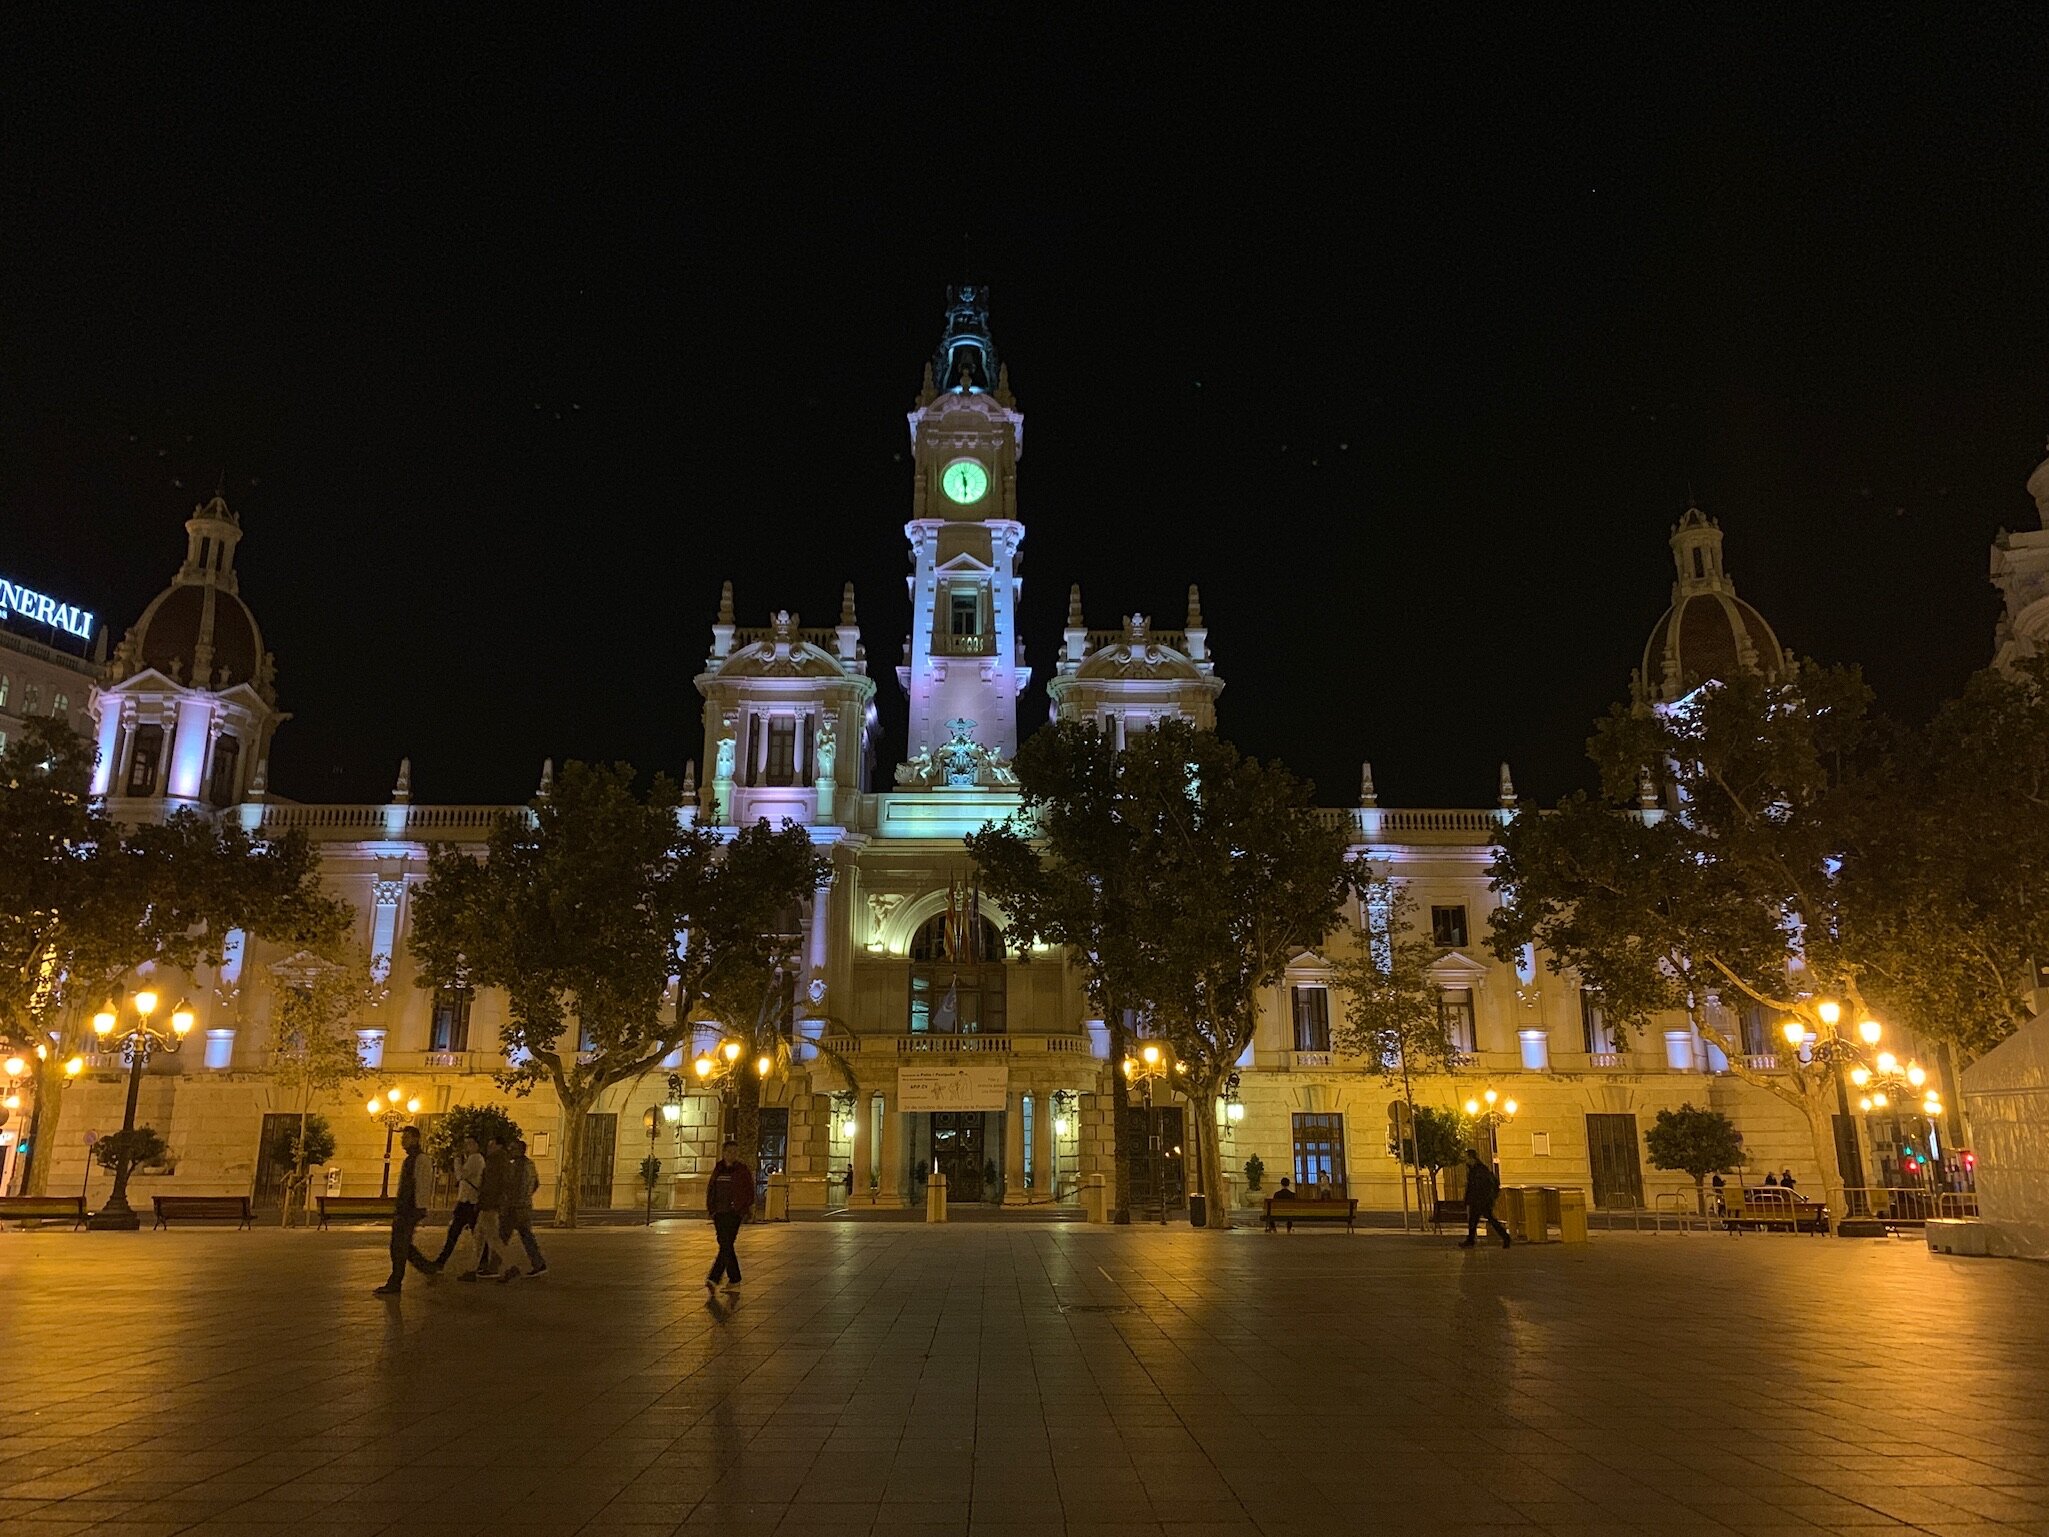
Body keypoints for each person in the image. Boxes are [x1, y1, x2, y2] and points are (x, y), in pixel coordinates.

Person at [374, 1125, 441, 1295]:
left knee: (399, 1246)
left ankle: (396, 1281)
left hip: (410, 1208)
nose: (403, 1141)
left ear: (415, 1138)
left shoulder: (420, 1159)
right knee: (403, 1245)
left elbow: (422, 1184)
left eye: (406, 1137)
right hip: (406, 1207)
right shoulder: (411, 1159)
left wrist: (419, 1207)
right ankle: (428, 1268)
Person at [460, 1134, 513, 1282]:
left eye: (491, 1145)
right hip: (490, 1203)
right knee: (479, 1236)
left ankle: (510, 1266)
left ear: (498, 1146)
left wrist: (484, 1202)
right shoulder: (502, 1161)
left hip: (489, 1204)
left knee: (492, 1237)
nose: (488, 1148)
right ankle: (472, 1269)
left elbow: (491, 1185)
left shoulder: (495, 1162)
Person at [705, 1138, 755, 1291]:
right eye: (729, 1152)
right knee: (725, 1244)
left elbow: (749, 1190)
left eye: (734, 1152)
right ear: (724, 1153)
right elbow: (711, 1188)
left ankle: (728, 1279)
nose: (732, 1155)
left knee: (725, 1243)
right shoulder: (718, 1169)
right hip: (719, 1212)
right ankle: (724, 1279)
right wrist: (711, 1209)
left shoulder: (742, 1170)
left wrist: (745, 1209)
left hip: (734, 1213)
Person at [498, 1136, 547, 1281]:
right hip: (525, 1206)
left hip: (515, 1207)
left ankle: (495, 1266)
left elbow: (511, 1187)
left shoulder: (516, 1166)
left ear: (519, 1150)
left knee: (501, 1237)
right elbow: (536, 1183)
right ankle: (538, 1264)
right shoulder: (530, 1164)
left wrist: (506, 1204)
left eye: (512, 1148)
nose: (509, 1151)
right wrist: (527, 1196)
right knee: (527, 1237)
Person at [434, 1134, 485, 1269]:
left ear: (476, 1145)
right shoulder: (472, 1159)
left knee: (466, 1233)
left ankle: (441, 1261)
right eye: (466, 1144)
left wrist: (456, 1159)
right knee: (459, 1232)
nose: (467, 1147)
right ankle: (441, 1261)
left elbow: (460, 1175)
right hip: (466, 1201)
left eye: (470, 1143)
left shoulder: (475, 1159)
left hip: (469, 1202)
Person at [1458, 1148, 1511, 1249]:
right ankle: (1470, 1240)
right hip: (1478, 1200)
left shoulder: (1479, 1170)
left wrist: (1484, 1197)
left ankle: (1505, 1237)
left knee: (1488, 1220)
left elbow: (1478, 1186)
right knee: (1474, 1221)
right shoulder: (1475, 1169)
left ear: (1471, 1158)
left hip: (1481, 1200)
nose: (1465, 1160)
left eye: (1467, 1158)